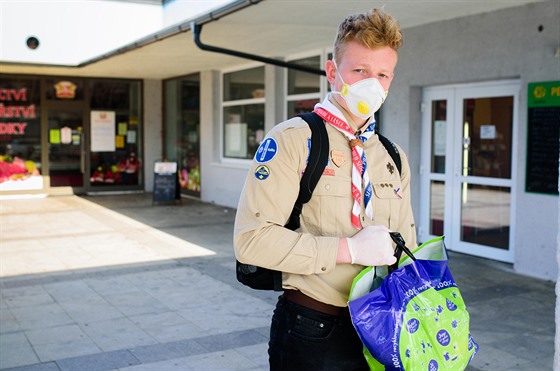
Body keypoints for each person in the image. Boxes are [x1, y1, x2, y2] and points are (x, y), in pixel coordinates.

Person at [234, 8, 417, 370]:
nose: (372, 84)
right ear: (333, 72)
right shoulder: (294, 140)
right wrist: (348, 249)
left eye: (382, 74)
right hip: (314, 329)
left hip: (383, 328)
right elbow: (251, 241)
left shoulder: (391, 155)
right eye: (359, 71)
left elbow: (408, 243)